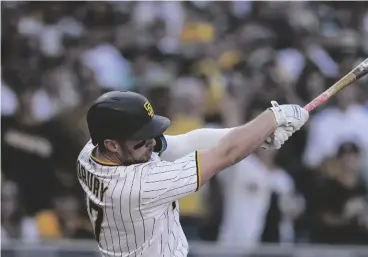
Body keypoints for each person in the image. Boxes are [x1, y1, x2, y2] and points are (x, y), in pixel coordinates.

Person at [77, 90, 308, 257]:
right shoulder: (139, 185)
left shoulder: (91, 152)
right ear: (112, 144)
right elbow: (225, 154)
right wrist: (274, 117)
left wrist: (255, 136)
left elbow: (185, 142)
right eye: (141, 138)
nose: (151, 142)